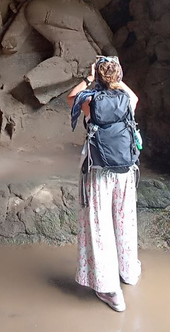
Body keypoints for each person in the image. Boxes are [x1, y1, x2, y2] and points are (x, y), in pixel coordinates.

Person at [67, 57, 141, 312]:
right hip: (124, 170)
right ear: (118, 76)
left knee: (100, 225)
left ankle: (110, 289)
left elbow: (70, 98)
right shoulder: (126, 100)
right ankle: (129, 271)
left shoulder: (91, 101)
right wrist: (116, 79)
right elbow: (135, 98)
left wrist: (90, 79)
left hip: (98, 170)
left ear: (97, 75)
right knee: (124, 219)